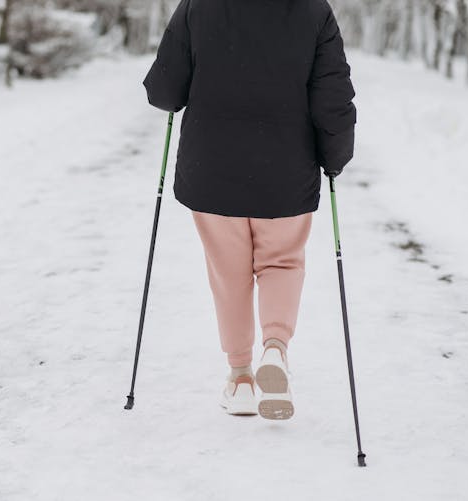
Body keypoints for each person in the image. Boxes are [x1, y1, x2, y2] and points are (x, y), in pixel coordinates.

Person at [142, 0, 356, 419]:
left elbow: (164, 89)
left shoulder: (198, 6)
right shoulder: (314, 10)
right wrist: (335, 156)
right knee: (281, 261)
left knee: (229, 271)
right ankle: (275, 350)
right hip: (286, 167)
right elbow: (333, 95)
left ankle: (240, 377)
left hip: (212, 166)